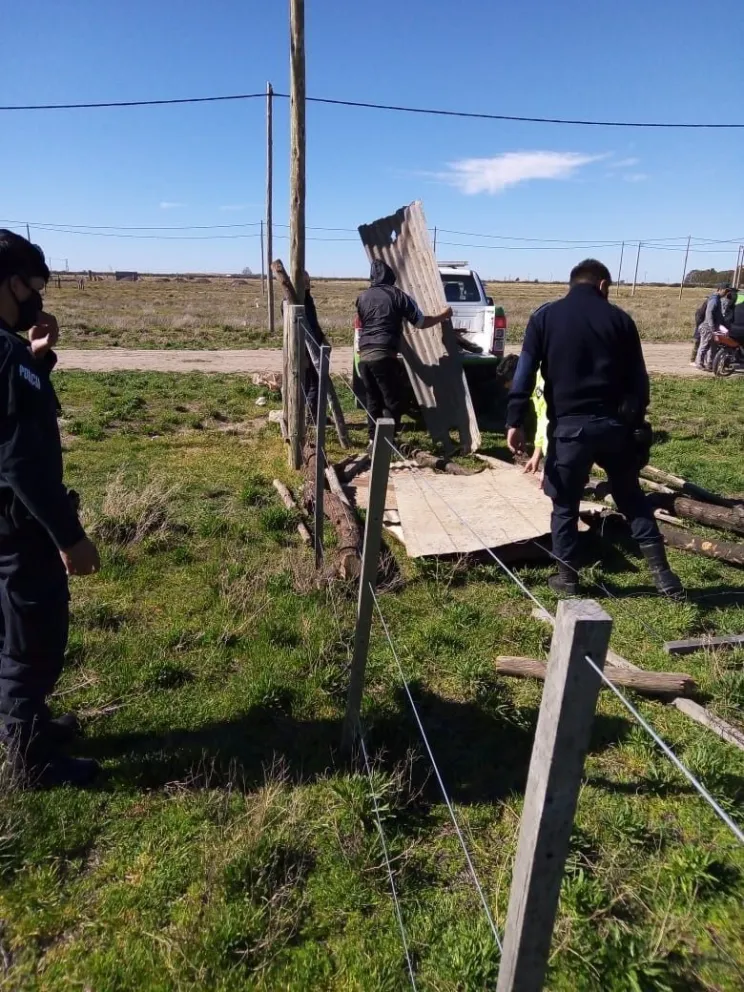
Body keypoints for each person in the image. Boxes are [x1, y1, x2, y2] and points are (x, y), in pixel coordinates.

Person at [506, 258, 683, 599]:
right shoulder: (621, 320)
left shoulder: (544, 318)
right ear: (602, 286)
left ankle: (567, 579)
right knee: (631, 497)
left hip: (569, 431)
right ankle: (665, 578)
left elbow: (524, 373)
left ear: (572, 284)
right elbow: (639, 382)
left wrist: (515, 420)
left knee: (565, 506)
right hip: (614, 428)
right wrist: (635, 424)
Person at [0, 231, 101, 787]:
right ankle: (31, 763)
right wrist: (68, 537)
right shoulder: (5, 355)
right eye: (34, 285)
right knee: (30, 641)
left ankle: (26, 725)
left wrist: (37, 361)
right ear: (10, 283)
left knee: (6, 630)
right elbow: (21, 462)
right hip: (18, 529)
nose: (38, 297)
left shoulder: (11, 355)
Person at [355, 260, 452, 444]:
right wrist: (443, 316)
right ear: (391, 276)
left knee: (373, 399)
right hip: (384, 354)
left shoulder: (362, 297)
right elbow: (421, 322)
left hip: (364, 355)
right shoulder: (398, 295)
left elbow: (360, 325)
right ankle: (386, 442)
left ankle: (372, 440)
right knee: (394, 401)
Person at [302, 272, 329, 424]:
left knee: (311, 382)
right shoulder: (297, 301)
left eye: (308, 281)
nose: (307, 284)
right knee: (313, 382)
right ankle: (310, 418)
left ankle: (313, 416)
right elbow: (306, 329)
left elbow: (314, 324)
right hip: (305, 349)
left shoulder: (307, 299)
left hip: (315, 346)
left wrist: (323, 338)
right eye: (304, 281)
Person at [695, 282, 730, 371]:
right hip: (708, 328)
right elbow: (709, 313)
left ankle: (710, 364)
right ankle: (699, 363)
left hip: (714, 328)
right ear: (719, 289)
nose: (726, 293)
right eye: (725, 291)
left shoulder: (717, 299)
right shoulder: (714, 300)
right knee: (704, 346)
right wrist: (712, 327)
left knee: (713, 347)